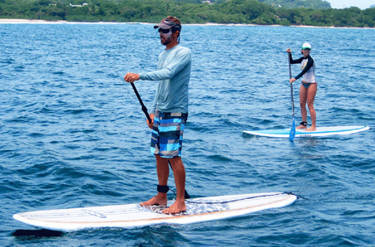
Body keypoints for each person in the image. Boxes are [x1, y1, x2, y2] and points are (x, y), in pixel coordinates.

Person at [124, 16, 191, 214]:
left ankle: (180, 201)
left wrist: (140, 75)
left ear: (176, 33)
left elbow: (168, 73)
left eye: (165, 31)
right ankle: (161, 196)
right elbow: (161, 85)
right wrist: (152, 112)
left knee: (173, 156)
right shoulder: (163, 55)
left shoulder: (184, 53)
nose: (160, 34)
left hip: (175, 111)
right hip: (161, 112)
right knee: (159, 155)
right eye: (159, 31)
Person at [287, 42, 317, 131]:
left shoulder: (310, 61)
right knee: (302, 104)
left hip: (312, 84)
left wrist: (294, 78)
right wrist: (289, 53)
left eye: (308, 50)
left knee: (310, 105)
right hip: (303, 84)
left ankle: (313, 126)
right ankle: (304, 124)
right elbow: (291, 62)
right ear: (302, 50)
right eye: (305, 49)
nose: (307, 51)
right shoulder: (302, 59)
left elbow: (304, 71)